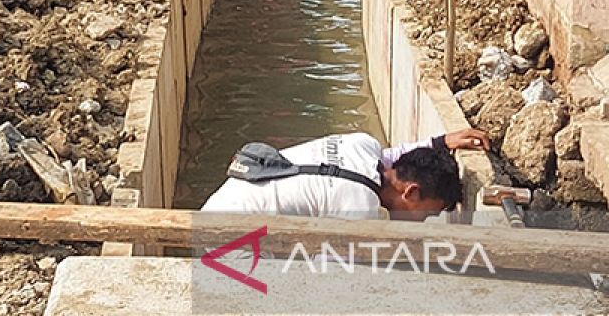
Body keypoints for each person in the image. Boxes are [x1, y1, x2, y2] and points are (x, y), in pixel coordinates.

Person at [201, 129, 488, 221]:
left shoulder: (362, 144)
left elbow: (392, 155)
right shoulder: (359, 209)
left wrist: (438, 143)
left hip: (216, 207)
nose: (425, 220)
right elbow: (332, 279)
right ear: (410, 192)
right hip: (229, 247)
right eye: (429, 212)